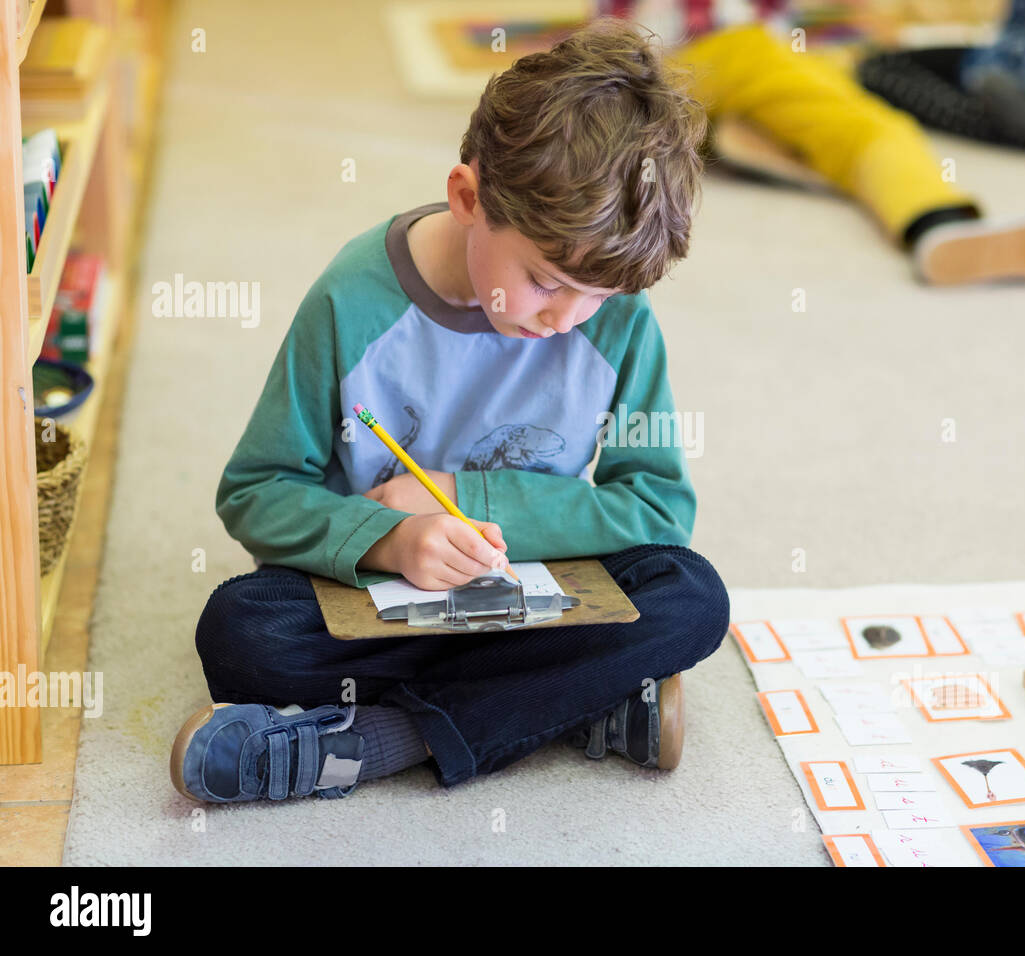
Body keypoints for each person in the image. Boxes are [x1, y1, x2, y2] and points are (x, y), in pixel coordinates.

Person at [170, 20, 729, 803]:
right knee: (241, 629)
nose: (566, 319)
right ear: (468, 198)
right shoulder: (352, 302)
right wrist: (390, 539)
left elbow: (659, 508)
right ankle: (572, 704)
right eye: (543, 280)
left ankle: (376, 741)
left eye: (598, 295)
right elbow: (257, 490)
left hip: (539, 592)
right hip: (386, 599)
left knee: (691, 596)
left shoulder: (619, 317)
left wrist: (470, 497)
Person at [603, 0, 1025, 284]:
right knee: (870, 129)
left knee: (814, 106)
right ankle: (937, 222)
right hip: (731, 49)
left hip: (641, 70)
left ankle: (736, 135)